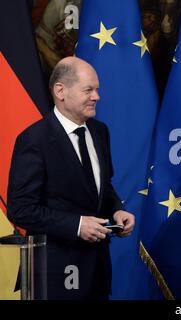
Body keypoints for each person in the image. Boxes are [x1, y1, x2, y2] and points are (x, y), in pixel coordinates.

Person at [7, 56, 135, 300]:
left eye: (97, 89)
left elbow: (102, 186)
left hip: (97, 270)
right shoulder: (34, 140)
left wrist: (117, 210)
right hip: (55, 274)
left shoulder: (100, 132)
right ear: (60, 91)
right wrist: (77, 225)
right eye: (88, 89)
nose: (97, 96)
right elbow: (20, 209)